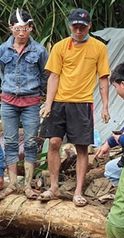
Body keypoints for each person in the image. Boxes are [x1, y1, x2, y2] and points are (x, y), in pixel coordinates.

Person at [39, 8, 110, 207]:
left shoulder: (99, 48)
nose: (78, 30)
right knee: (53, 143)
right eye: (75, 26)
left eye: (82, 27)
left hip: (82, 102)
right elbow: (54, 76)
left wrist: (105, 106)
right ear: (70, 25)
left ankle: (78, 192)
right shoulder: (60, 47)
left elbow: (103, 77)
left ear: (89, 27)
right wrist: (48, 103)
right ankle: (53, 187)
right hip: (60, 102)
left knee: (81, 147)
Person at [0, 8, 48, 199]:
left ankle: (27, 185)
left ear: (31, 28)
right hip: (8, 101)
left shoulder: (39, 50)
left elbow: (46, 75)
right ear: (10, 28)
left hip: (31, 102)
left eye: (25, 28)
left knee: (30, 143)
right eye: (17, 28)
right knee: (10, 141)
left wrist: (44, 98)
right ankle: (12, 183)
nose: (21, 33)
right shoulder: (3, 49)